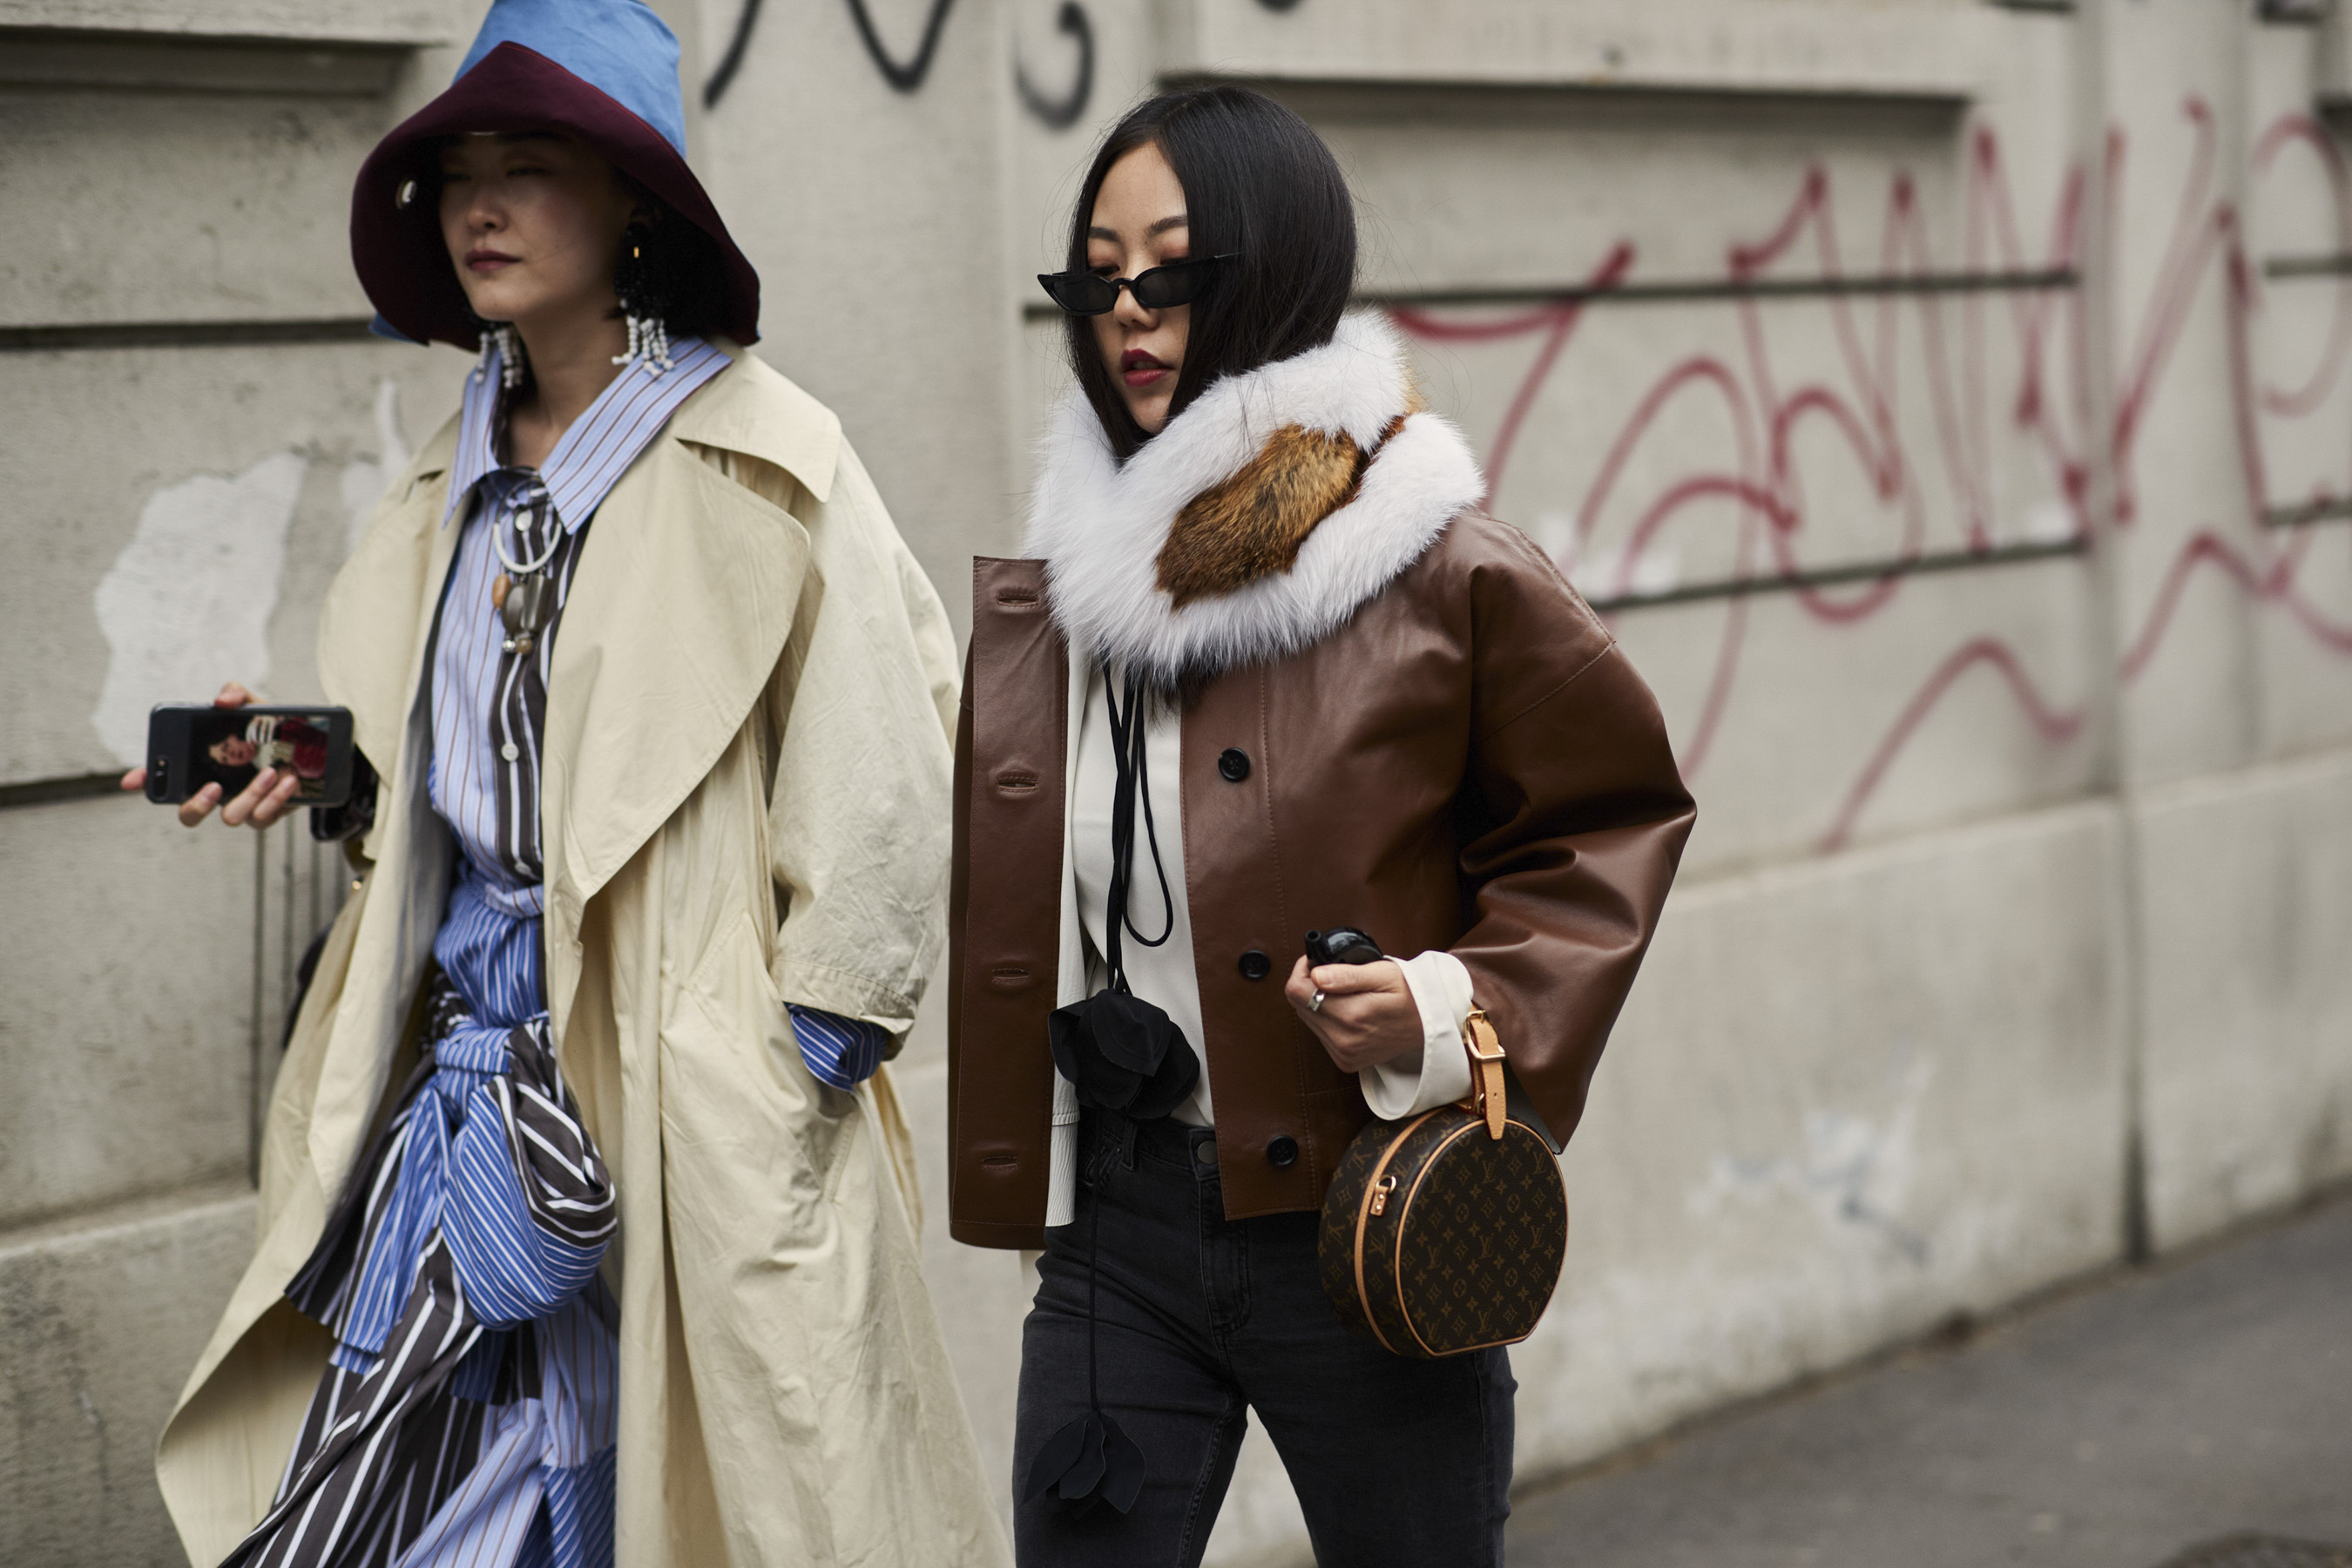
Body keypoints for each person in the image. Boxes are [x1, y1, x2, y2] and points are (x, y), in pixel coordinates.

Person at [127, 3, 1009, 1564]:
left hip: (690, 1112)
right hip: (468, 1110)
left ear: (632, 204)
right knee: (392, 1504)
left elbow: (887, 756)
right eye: (460, 171)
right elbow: (471, 800)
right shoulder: (446, 482)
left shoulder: (767, 457)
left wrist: (785, 1063)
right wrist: (338, 791)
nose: (480, 206)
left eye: (528, 167)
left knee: (701, 1501)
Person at [946, 86, 1697, 1567]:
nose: (1130, 309)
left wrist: (1444, 1005)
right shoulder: (1069, 592)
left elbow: (1609, 821)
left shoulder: (1437, 567)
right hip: (1121, 1238)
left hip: (1372, 1219)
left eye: (1174, 269)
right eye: (1099, 275)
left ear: (1279, 271)